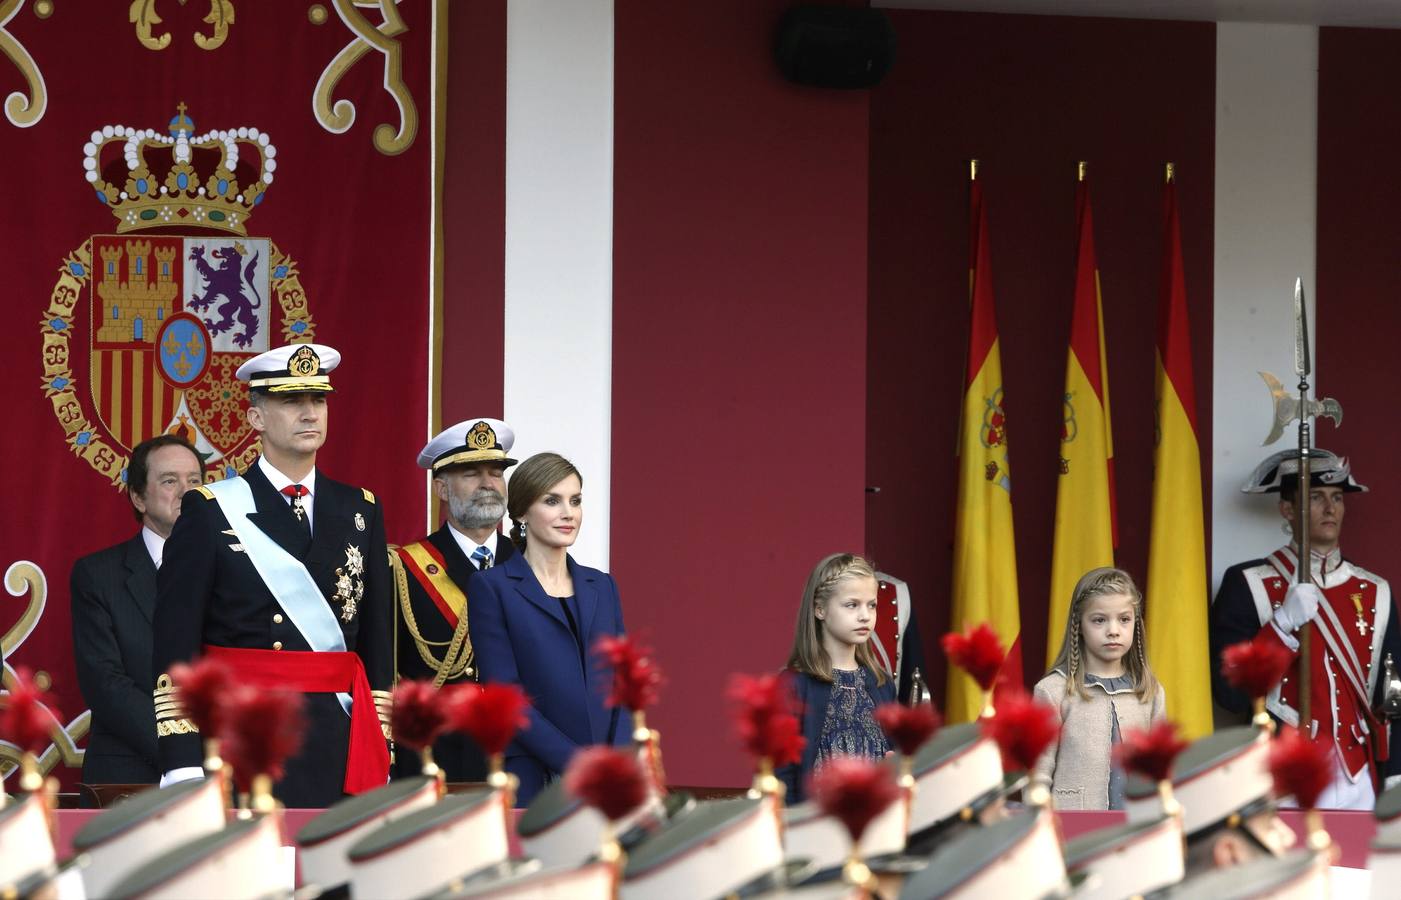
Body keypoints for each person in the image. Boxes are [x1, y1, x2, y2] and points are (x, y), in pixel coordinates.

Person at [150, 343, 393, 808]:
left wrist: (381, 741)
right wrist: (181, 759)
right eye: (291, 401)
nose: (309, 413)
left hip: (338, 738)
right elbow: (175, 644)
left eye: (318, 400)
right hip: (242, 736)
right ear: (256, 418)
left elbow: (377, 641)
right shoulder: (209, 510)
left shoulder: (360, 509)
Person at [1210, 448, 1401, 809]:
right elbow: (1230, 694)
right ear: (1287, 509)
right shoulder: (1248, 583)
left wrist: (1396, 776)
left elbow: (1394, 698)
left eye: (1337, 498)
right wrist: (1282, 625)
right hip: (1283, 778)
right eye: (1315, 498)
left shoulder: (1375, 590)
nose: (1330, 509)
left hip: (1360, 778)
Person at [467, 452, 628, 806]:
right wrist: (578, 765)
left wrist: (617, 761)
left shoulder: (602, 586)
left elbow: (623, 684)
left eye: (576, 501)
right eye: (552, 501)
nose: (568, 513)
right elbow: (507, 698)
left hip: (610, 777)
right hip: (536, 777)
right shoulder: (492, 587)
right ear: (522, 512)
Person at [71, 435, 204, 800]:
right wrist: (185, 753)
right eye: (170, 481)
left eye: (195, 481)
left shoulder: (235, 570)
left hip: (220, 772)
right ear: (138, 497)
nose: (186, 492)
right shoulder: (98, 575)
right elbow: (106, 684)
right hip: (129, 777)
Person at [393, 417, 518, 782]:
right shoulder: (403, 568)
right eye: (471, 474)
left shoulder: (529, 565)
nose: (488, 484)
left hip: (517, 753)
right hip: (436, 759)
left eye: (496, 473)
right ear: (442, 489)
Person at [1032, 567, 1166, 810]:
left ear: (1136, 624)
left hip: (1136, 823)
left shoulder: (1150, 691)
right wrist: (1039, 817)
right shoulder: (1052, 691)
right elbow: (1038, 773)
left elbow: (1160, 768)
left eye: (1124, 619)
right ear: (1079, 625)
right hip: (1072, 824)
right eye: (1099, 620)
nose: (1113, 630)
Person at [777, 553, 895, 804]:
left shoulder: (882, 683)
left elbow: (894, 758)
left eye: (872, 605)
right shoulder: (794, 685)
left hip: (875, 820)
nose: (865, 616)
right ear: (819, 609)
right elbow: (782, 776)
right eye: (852, 605)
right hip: (814, 823)